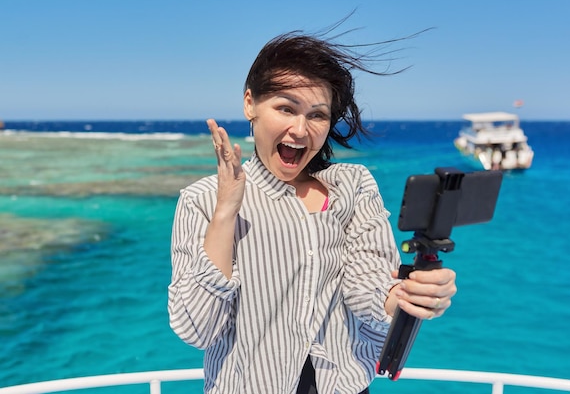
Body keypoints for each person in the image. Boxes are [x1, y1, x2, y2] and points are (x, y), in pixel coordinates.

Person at [168, 30, 457, 394]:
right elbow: (198, 329)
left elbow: (366, 284)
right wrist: (226, 210)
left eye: (317, 115)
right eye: (286, 108)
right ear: (250, 103)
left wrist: (404, 296)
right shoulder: (202, 200)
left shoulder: (351, 186)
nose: (300, 130)